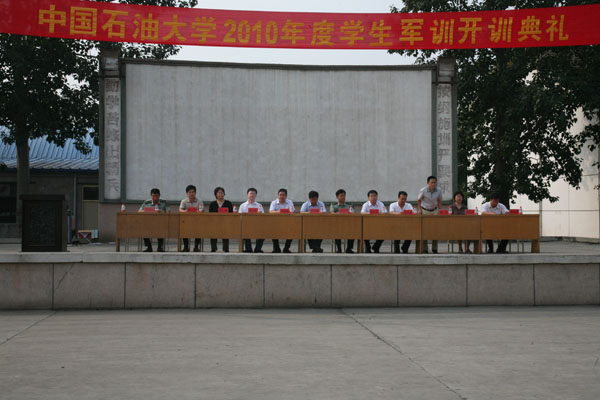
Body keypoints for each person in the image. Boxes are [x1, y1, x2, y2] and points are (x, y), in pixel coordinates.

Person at [417, 176, 443, 253]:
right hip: (425, 210)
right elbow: (418, 200)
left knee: (435, 229)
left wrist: (440, 210)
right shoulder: (423, 190)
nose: (433, 184)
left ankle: (434, 248)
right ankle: (425, 249)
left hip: (435, 210)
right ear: (428, 183)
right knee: (425, 230)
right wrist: (419, 210)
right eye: (432, 182)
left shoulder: (439, 190)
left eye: (435, 182)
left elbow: (439, 200)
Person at [139, 188, 168, 252]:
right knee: (143, 229)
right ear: (151, 196)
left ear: (159, 196)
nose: (155, 198)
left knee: (161, 228)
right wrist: (148, 211)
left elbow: (169, 212)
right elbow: (139, 211)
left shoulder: (164, 202)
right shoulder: (147, 202)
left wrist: (162, 211)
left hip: (160, 223)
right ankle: (149, 247)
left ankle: (160, 247)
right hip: (148, 223)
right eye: (153, 196)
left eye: (156, 196)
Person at [238, 187, 265, 253]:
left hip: (257, 225)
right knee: (244, 230)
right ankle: (248, 249)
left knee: (263, 232)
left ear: (256, 195)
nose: (252, 195)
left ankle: (257, 249)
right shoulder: (243, 205)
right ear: (247, 195)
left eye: (254, 194)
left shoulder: (259, 205)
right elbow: (240, 217)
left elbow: (263, 217)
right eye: (250, 193)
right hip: (246, 225)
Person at [269, 188, 295, 253]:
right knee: (272, 230)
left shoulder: (290, 202)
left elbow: (292, 211)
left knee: (292, 230)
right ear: (278, 195)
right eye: (280, 195)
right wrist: (282, 211)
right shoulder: (274, 202)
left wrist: (281, 212)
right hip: (276, 222)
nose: (281, 196)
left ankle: (286, 248)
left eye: (283, 195)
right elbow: (271, 212)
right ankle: (276, 248)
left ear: (286, 196)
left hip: (287, 222)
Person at [179, 185, 204, 252]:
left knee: (199, 229)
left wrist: (197, 212)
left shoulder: (199, 201)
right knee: (183, 230)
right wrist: (185, 211)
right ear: (187, 193)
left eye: (193, 192)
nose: (191, 194)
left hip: (197, 221)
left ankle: (196, 247)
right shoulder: (184, 201)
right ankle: (186, 247)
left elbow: (202, 210)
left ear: (195, 193)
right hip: (186, 221)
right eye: (189, 192)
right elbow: (180, 210)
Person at [209, 186, 233, 252]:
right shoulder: (212, 204)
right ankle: (213, 248)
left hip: (225, 222)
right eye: (219, 192)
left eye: (222, 192)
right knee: (213, 232)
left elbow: (231, 213)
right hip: (215, 222)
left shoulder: (228, 203)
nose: (220, 194)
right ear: (216, 194)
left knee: (225, 233)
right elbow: (210, 214)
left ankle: (226, 248)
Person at [330, 189, 354, 253]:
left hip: (348, 224)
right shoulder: (333, 205)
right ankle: (339, 249)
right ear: (337, 197)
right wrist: (343, 213)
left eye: (344, 196)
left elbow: (352, 213)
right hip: (337, 224)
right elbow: (332, 213)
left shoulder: (349, 205)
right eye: (341, 196)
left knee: (353, 231)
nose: (343, 197)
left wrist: (339, 213)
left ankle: (349, 249)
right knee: (336, 230)